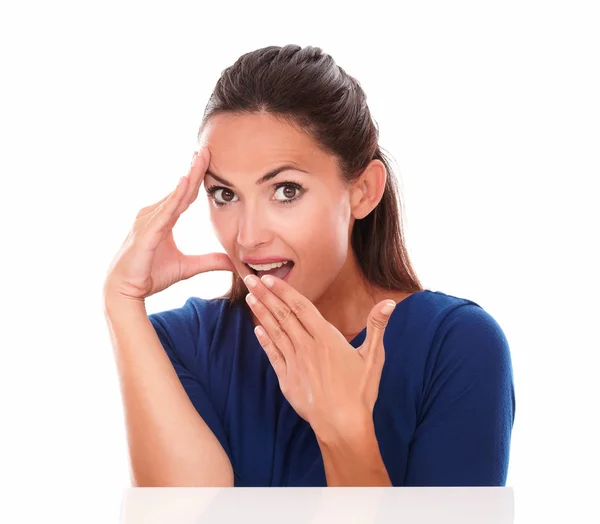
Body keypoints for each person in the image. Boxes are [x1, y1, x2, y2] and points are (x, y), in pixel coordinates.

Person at [103, 45, 515, 487]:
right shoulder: (180, 344)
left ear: (363, 192)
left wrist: (345, 430)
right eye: (225, 194)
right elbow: (181, 515)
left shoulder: (455, 346)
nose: (248, 237)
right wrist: (121, 303)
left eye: (285, 191)